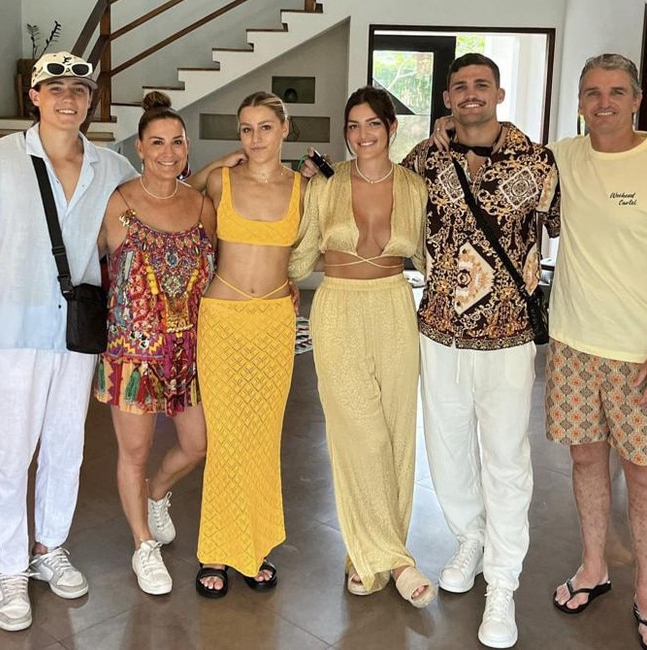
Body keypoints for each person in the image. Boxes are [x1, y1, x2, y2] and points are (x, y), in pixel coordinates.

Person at [401, 53, 560, 647]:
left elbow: (569, 230)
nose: (471, 94)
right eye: (460, 87)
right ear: (447, 98)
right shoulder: (426, 158)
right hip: (439, 328)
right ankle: (469, 535)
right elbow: (386, 198)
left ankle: (503, 582)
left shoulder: (538, 162)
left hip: (509, 335)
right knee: (445, 449)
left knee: (506, 458)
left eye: (481, 85)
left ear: (498, 92)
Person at [0, 51, 137, 632]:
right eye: (55, 88)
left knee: (65, 446)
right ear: (34, 96)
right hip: (14, 328)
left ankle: (49, 546)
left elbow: (160, 197)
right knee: (9, 453)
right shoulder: (2, 159)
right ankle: (7, 567)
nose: (68, 99)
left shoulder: (113, 166)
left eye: (79, 89)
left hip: (78, 331)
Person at [289, 86, 435, 608]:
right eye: (353, 126)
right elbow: (300, 252)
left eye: (372, 124)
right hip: (339, 309)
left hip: (395, 307)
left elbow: (435, 257)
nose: (362, 135)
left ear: (392, 129)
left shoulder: (416, 186)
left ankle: (366, 557)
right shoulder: (326, 185)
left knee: (396, 435)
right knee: (361, 436)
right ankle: (398, 562)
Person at [544, 53, 647, 649]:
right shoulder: (563, 157)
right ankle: (594, 567)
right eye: (591, 93)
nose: (602, 102)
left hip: (636, 351)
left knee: (642, 475)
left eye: (615, 91)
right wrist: (445, 131)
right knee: (586, 463)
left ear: (636, 99)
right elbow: (498, 159)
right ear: (579, 103)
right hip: (574, 342)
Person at [95, 91, 216, 595]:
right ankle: (143, 545)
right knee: (136, 450)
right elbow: (90, 260)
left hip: (188, 350)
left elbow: (219, 271)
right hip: (132, 353)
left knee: (197, 444)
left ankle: (157, 496)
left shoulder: (203, 205)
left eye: (178, 142)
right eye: (158, 142)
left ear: (187, 149)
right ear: (140, 148)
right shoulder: (118, 203)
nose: (169, 152)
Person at [191, 91, 304, 598]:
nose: (254, 138)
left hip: (275, 323)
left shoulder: (307, 187)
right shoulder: (220, 181)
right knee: (226, 437)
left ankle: (255, 546)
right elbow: (176, 193)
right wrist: (216, 162)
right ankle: (215, 549)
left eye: (264, 127)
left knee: (262, 437)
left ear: (284, 129)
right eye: (245, 129)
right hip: (223, 319)